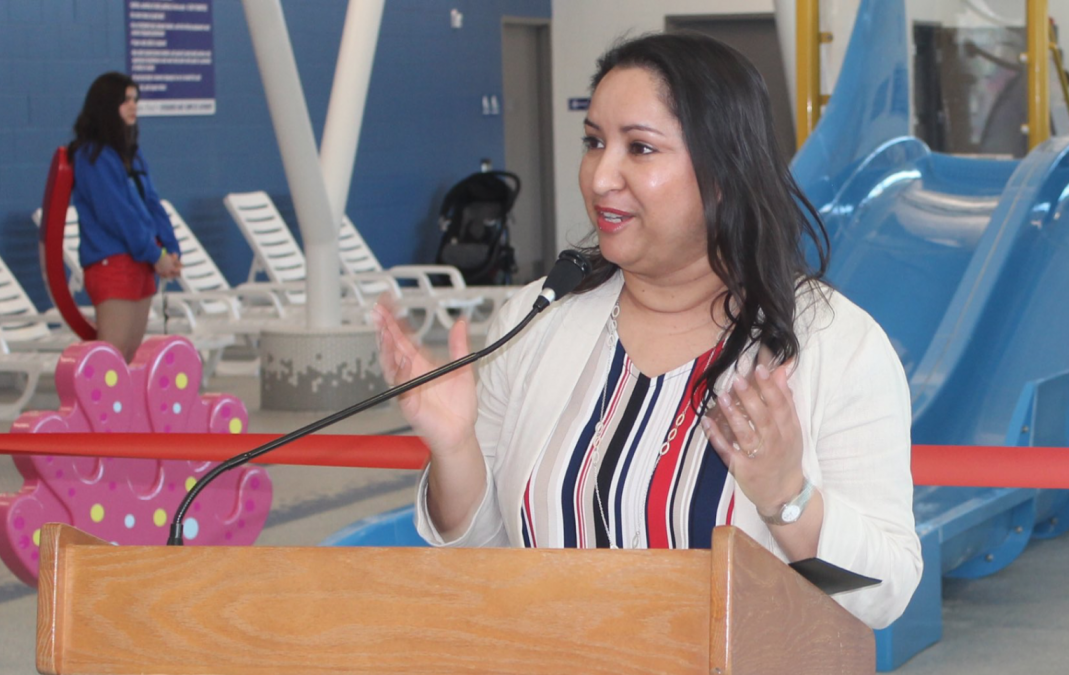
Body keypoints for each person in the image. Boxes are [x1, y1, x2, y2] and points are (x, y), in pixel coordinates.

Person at [373, 33, 921, 629]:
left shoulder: (838, 346)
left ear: (723, 171)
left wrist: (787, 496)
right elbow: (486, 547)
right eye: (594, 143)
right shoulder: (537, 320)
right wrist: (454, 449)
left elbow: (880, 595)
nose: (600, 176)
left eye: (639, 148)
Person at [68, 72, 182, 362]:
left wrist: (170, 248)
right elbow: (117, 214)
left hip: (142, 262)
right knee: (112, 357)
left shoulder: (131, 153)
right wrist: (155, 254)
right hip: (114, 263)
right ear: (107, 105)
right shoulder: (92, 156)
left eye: (135, 99)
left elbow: (152, 204)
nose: (133, 105)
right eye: (125, 100)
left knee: (129, 355)